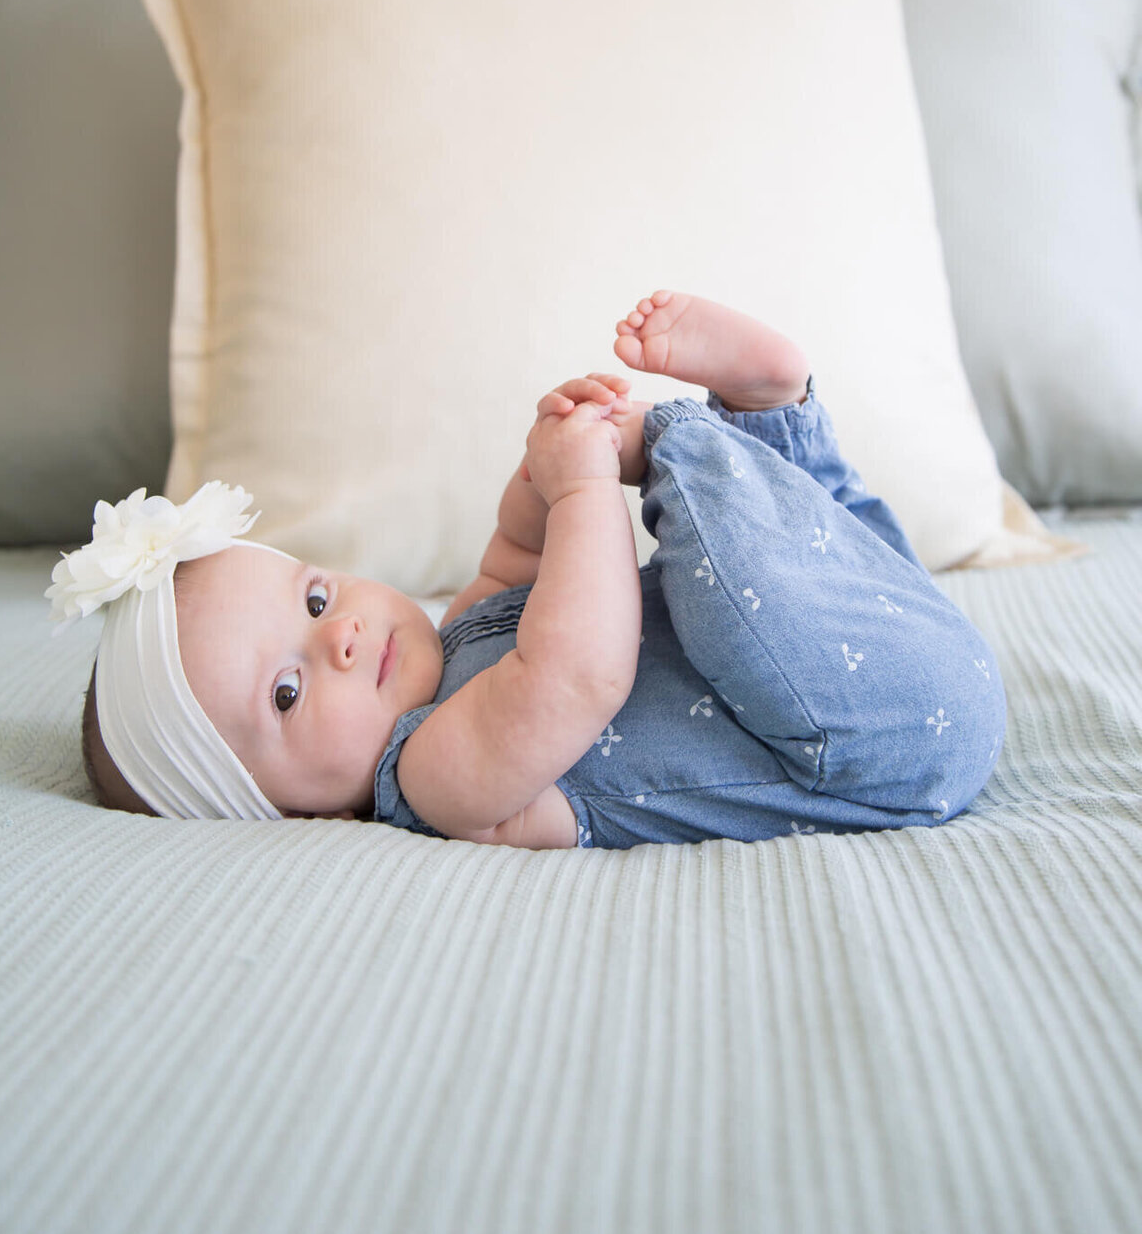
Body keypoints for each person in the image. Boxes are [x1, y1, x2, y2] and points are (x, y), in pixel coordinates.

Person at [53, 290, 1006, 849]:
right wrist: (593, 486)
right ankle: (715, 432)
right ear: (289, 811)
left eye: (313, 597)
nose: (339, 634)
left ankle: (771, 416)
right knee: (728, 577)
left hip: (872, 640)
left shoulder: (454, 636)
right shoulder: (435, 780)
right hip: (869, 741)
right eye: (289, 692)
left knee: (805, 543)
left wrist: (548, 463)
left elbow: (521, 555)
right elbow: (579, 673)